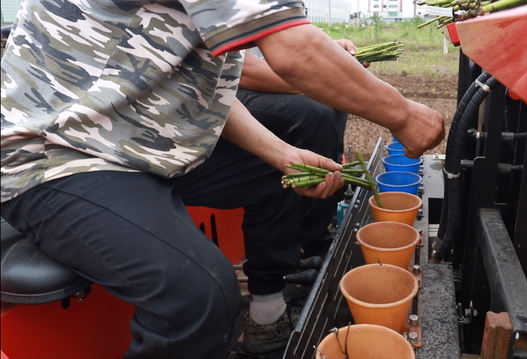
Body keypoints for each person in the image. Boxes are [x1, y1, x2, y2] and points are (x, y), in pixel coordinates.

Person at [0, 1, 445, 358]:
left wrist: (286, 157)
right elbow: (292, 50)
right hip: (58, 152)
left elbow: (209, 93)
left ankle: (267, 317)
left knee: (275, 172)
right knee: (196, 297)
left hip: (141, 144)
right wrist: (404, 114)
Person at [238, 49, 352, 259]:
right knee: (315, 111)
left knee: (334, 102)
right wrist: (314, 84)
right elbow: (241, 69)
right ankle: (311, 241)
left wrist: (331, 48)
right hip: (229, 87)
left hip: (249, 73)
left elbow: (275, 48)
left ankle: (331, 200)